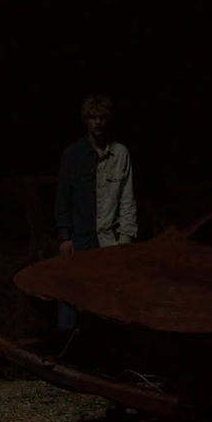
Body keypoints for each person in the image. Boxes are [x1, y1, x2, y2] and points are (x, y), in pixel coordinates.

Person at [52, 93, 138, 334]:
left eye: (102, 117)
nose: (98, 122)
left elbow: (127, 200)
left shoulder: (121, 154)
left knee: (113, 299)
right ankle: (65, 345)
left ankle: (107, 347)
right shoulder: (73, 155)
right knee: (70, 293)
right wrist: (64, 236)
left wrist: (126, 239)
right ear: (86, 120)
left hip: (110, 239)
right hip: (81, 236)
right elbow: (63, 198)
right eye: (93, 117)